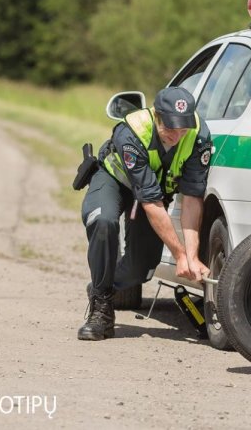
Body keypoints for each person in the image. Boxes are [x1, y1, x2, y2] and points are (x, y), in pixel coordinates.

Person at [78, 86, 213, 341]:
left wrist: (191, 257)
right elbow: (150, 200)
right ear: (156, 115)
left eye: (182, 128)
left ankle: (101, 284)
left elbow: (192, 198)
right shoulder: (132, 131)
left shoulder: (199, 135)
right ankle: (101, 310)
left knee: (139, 271)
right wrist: (179, 255)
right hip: (115, 181)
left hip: (155, 194)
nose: (177, 135)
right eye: (170, 128)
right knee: (104, 222)